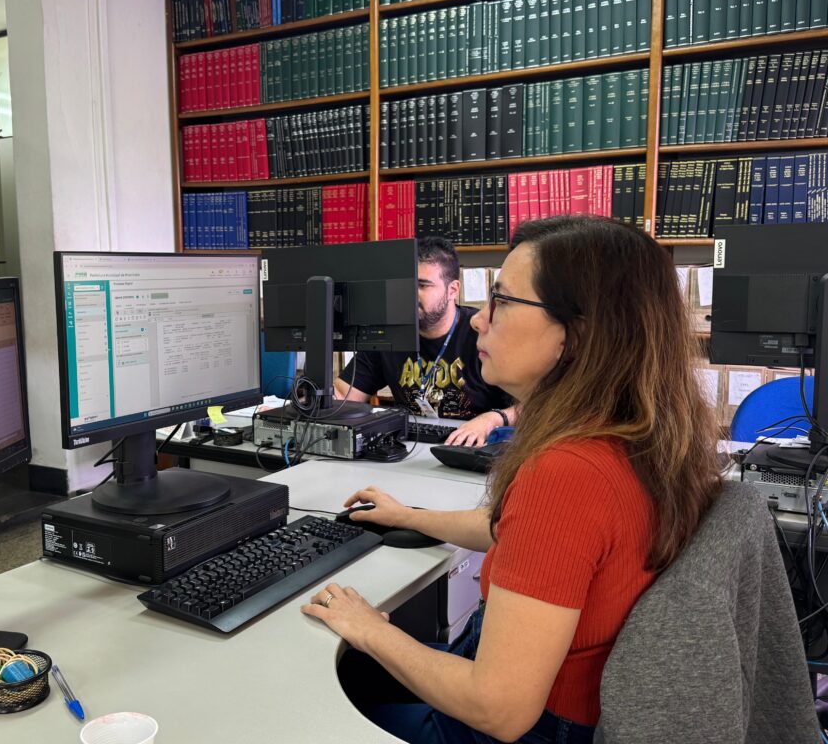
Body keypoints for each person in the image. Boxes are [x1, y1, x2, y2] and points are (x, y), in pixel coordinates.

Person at [303, 216, 724, 744]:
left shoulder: (568, 473)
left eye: (501, 301)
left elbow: (498, 709)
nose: (480, 320)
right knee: (356, 666)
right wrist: (407, 516)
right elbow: (520, 534)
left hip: (527, 726)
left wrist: (368, 627)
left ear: (576, 335)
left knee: (307, 696)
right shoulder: (627, 436)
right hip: (565, 703)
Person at [334, 236, 516, 446]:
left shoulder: (483, 332)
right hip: (408, 448)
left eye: (422, 285)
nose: (410, 295)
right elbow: (344, 395)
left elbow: (533, 406)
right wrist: (314, 395)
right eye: (406, 285)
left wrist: (492, 419)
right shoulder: (389, 334)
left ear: (452, 290)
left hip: (473, 449)